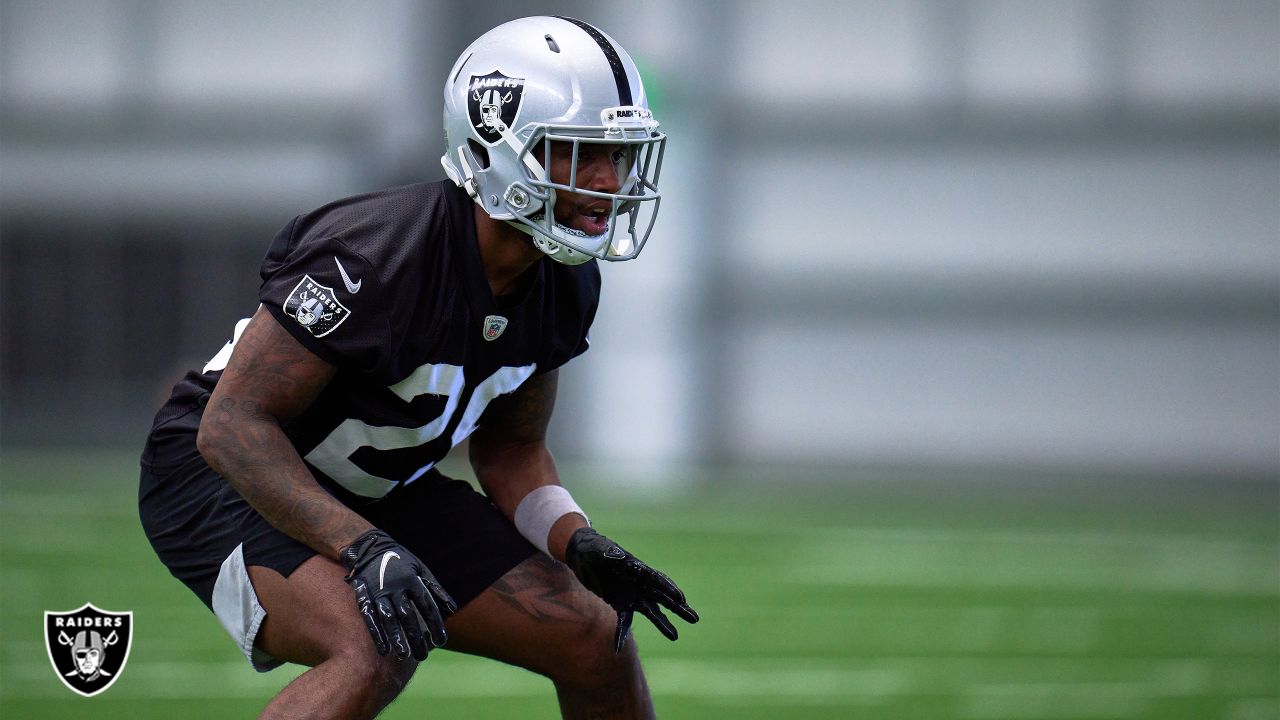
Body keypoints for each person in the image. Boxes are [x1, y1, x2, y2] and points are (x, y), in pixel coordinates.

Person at [138, 16, 697, 720]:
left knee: (592, 636)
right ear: (499, 146)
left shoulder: (563, 281)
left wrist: (575, 539)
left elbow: (510, 450)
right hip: (221, 480)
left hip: (375, 488)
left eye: (616, 156)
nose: (607, 182)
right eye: (580, 153)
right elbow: (231, 427)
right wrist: (363, 547)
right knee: (375, 645)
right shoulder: (374, 257)